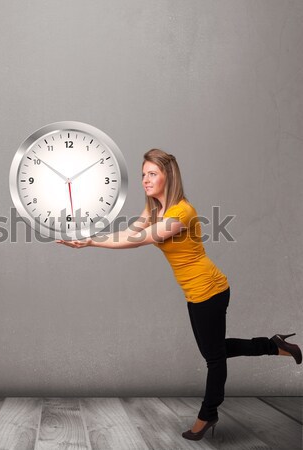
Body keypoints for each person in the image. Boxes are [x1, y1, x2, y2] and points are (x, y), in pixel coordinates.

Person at [56, 148, 302, 441]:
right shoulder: (155, 208)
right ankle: (273, 345)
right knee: (215, 350)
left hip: (210, 289)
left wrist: (92, 243)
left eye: (152, 174)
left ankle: (208, 414)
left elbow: (140, 239)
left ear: (168, 176)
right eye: (143, 174)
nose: (145, 180)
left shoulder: (181, 212)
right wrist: (89, 239)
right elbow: (130, 231)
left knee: (214, 359)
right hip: (195, 292)